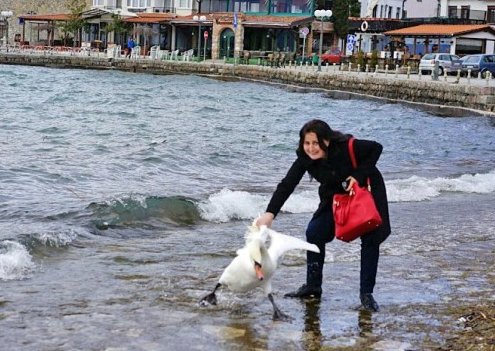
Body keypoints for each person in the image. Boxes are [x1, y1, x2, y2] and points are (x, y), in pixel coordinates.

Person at [256, 119, 391, 312]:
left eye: (315, 143)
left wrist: (358, 176)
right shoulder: (305, 157)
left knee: (370, 239)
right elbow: (287, 184)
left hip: (365, 193)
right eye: (306, 143)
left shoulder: (345, 147)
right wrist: (270, 214)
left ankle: (366, 295)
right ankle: (313, 286)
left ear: (326, 141)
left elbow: (376, 148)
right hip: (334, 197)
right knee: (315, 232)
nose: (311, 148)